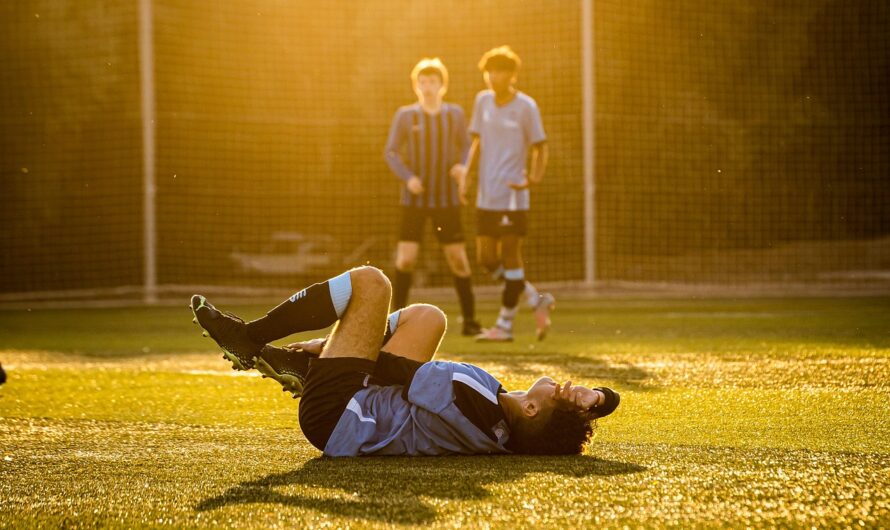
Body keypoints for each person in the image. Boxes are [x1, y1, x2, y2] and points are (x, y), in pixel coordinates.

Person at [190, 266, 619, 457]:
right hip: (359, 411)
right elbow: (604, 401)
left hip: (335, 414)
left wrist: (329, 348)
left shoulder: (476, 399)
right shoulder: (500, 424)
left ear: (531, 408)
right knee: (430, 317)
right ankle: (304, 366)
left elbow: (392, 368)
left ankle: (250, 338)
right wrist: (596, 398)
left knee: (371, 284)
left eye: (560, 394)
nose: (564, 385)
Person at [453, 45, 554, 342]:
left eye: (498, 71)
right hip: (488, 196)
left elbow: (540, 147)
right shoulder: (482, 101)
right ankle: (535, 297)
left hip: (513, 196)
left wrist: (533, 179)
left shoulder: (526, 106)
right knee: (486, 260)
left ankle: (504, 326)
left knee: (510, 256)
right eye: (488, 71)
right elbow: (477, 143)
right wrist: (466, 175)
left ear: (511, 75)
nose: (492, 76)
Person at [383, 58, 482, 336]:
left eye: (432, 82)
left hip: (446, 201)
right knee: (405, 260)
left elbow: (467, 147)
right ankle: (394, 325)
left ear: (442, 85)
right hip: (413, 202)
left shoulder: (454, 115)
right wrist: (408, 177)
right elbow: (390, 152)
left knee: (458, 260)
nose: (427, 87)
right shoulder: (406, 115)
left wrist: (463, 166)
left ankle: (470, 321)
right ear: (416, 86)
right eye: (422, 82)